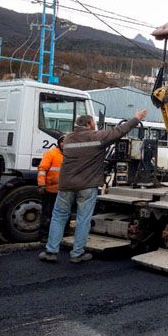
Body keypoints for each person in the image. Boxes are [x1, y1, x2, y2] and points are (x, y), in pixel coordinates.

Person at [39, 110, 146, 264]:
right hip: (87, 185)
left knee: (58, 217)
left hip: (66, 185)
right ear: (89, 124)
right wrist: (136, 118)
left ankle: (51, 251)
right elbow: (119, 131)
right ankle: (77, 254)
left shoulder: (68, 139)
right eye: (94, 124)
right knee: (83, 219)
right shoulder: (97, 138)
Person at [37, 134, 64, 243]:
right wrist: (41, 185)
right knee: (47, 213)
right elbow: (42, 169)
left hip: (63, 191)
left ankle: (60, 235)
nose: (64, 144)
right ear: (59, 143)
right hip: (50, 190)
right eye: (62, 142)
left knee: (61, 214)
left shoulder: (69, 155)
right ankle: (44, 235)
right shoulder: (51, 153)